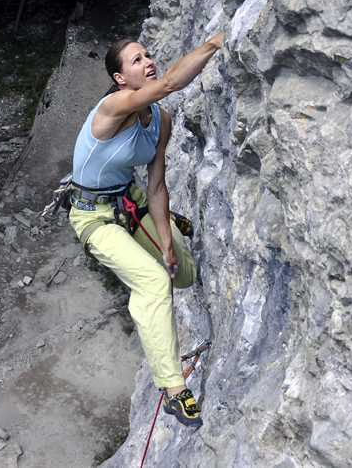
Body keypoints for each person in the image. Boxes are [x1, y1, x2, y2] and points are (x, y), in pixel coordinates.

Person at [68, 33, 224, 427]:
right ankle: (173, 390)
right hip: (93, 215)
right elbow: (169, 83)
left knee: (183, 274)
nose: (147, 62)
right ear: (121, 79)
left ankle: (170, 224)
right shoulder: (113, 107)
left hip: (131, 197)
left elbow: (156, 186)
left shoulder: (161, 122)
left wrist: (167, 243)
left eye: (148, 55)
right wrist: (213, 43)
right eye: (136, 61)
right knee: (154, 282)